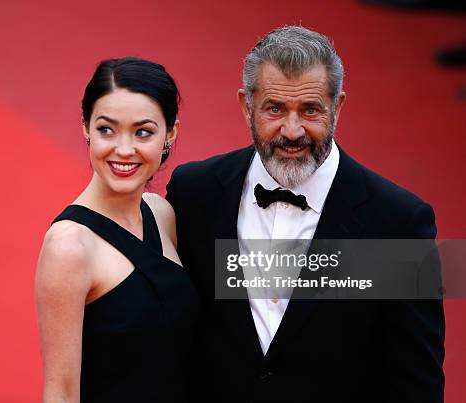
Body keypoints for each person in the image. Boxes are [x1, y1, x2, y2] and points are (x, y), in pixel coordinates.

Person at [166, 26, 445, 403]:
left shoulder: (397, 222)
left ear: (338, 106)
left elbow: (415, 382)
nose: (293, 131)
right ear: (247, 106)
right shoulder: (194, 193)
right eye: (275, 109)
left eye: (310, 110)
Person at [35, 57, 199, 403]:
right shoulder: (69, 247)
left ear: (171, 133)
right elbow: (61, 393)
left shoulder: (162, 214)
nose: (124, 150)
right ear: (85, 128)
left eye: (143, 132)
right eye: (106, 129)